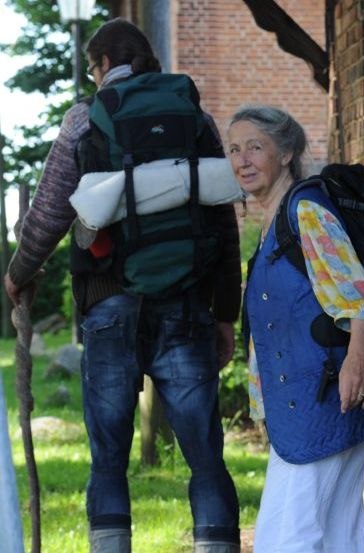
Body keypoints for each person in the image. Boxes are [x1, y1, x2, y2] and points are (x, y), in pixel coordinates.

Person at [3, 19, 241, 553]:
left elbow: (49, 212)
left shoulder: (85, 118)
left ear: (105, 63)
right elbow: (221, 217)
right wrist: (225, 313)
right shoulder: (194, 116)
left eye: (93, 68)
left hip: (109, 304)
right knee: (206, 456)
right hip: (186, 304)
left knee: (108, 458)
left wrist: (18, 274)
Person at [227, 105, 364, 553]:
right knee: (339, 535)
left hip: (326, 398)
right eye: (234, 150)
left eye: (255, 147)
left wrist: (358, 361)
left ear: (285, 153)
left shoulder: (305, 211)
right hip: (312, 400)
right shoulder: (275, 222)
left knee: (285, 539)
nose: (242, 160)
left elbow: (354, 290)